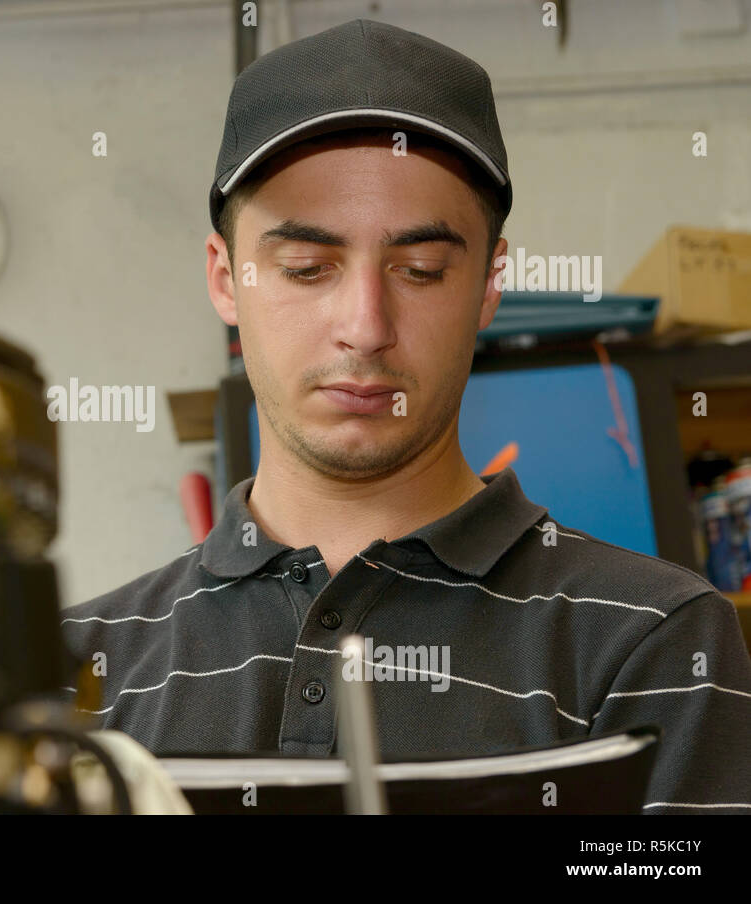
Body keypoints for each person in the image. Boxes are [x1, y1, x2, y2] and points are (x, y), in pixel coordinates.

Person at [59, 18, 751, 813]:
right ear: (226, 279)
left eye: (419, 271)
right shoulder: (83, 662)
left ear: (490, 286)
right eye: (306, 267)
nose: (365, 324)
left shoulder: (651, 637)